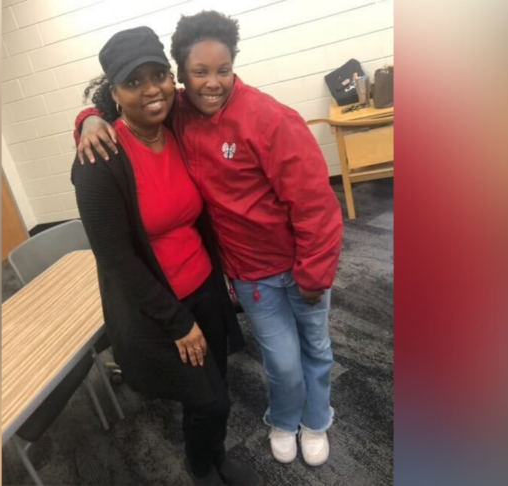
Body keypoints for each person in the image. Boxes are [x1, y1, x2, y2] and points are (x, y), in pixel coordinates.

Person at [74, 11, 343, 467]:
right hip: (250, 273)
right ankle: (283, 418)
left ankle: (316, 419)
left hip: (301, 268)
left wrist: (315, 274)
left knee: (316, 349)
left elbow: (316, 204)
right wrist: (88, 119)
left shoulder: (269, 119)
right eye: (198, 72)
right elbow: (134, 102)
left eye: (223, 69)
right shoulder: (180, 113)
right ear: (183, 75)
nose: (211, 82)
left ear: (235, 64)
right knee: (280, 360)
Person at [70, 26, 264, 486]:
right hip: (158, 308)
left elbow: (216, 88)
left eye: (158, 75)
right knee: (208, 398)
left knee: (218, 384)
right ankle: (201, 470)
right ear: (113, 92)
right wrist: (177, 322)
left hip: (205, 288)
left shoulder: (175, 122)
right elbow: (117, 260)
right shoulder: (100, 161)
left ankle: (214, 456)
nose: (151, 89)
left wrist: (86, 115)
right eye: (133, 82)